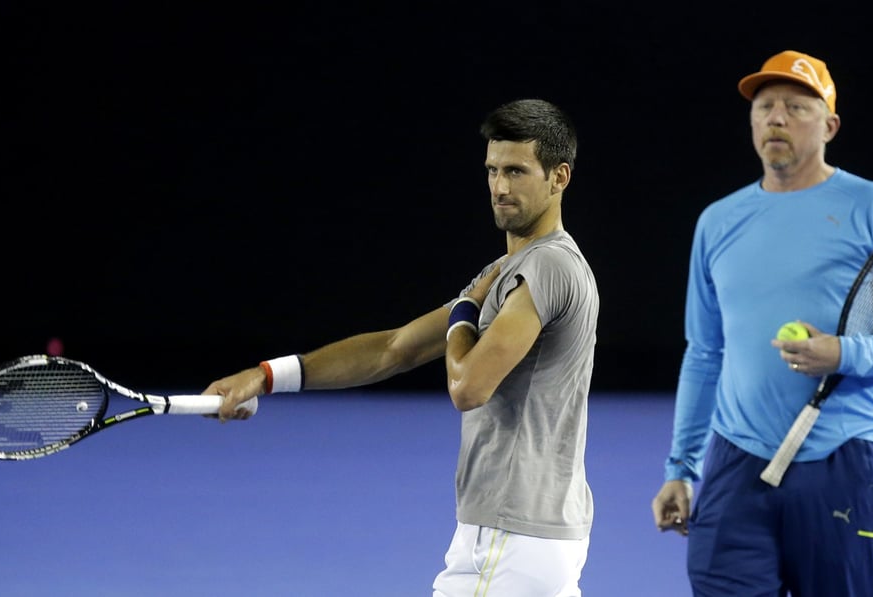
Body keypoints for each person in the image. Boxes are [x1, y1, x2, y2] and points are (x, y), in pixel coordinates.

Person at [206, 98, 599, 596]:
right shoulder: (508, 274)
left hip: (510, 534)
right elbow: (395, 348)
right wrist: (267, 375)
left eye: (517, 172)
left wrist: (463, 313)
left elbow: (468, 386)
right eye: (493, 171)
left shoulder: (546, 268)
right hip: (526, 532)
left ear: (559, 177)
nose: (500, 188)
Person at [650, 50, 873, 596]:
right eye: (764, 107)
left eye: (796, 107)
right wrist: (681, 468)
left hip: (843, 458)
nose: (775, 118)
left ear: (830, 126)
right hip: (735, 461)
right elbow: (705, 352)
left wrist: (843, 355)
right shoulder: (717, 221)